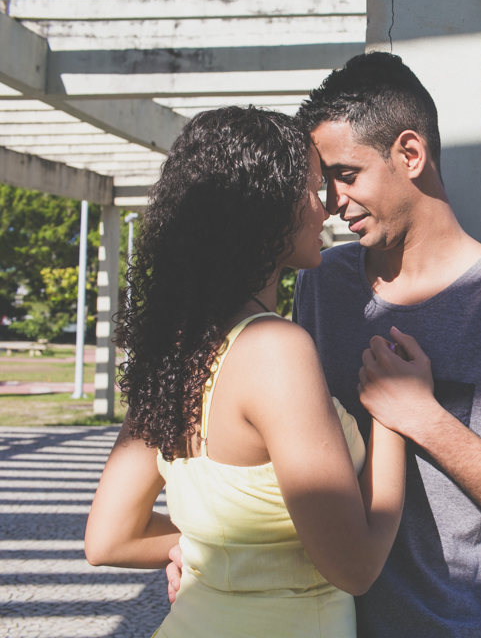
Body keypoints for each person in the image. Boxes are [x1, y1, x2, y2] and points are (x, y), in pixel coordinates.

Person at [84, 106, 411, 637]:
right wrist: (396, 414)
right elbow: (356, 567)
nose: (327, 205)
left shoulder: (178, 350)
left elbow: (109, 538)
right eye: (312, 186)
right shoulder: (274, 349)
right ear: (266, 207)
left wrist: (215, 553)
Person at [297, 52, 481, 637]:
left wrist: (422, 417)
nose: (332, 201)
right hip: (311, 616)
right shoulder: (320, 284)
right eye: (325, 182)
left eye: (347, 175)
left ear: (410, 153)